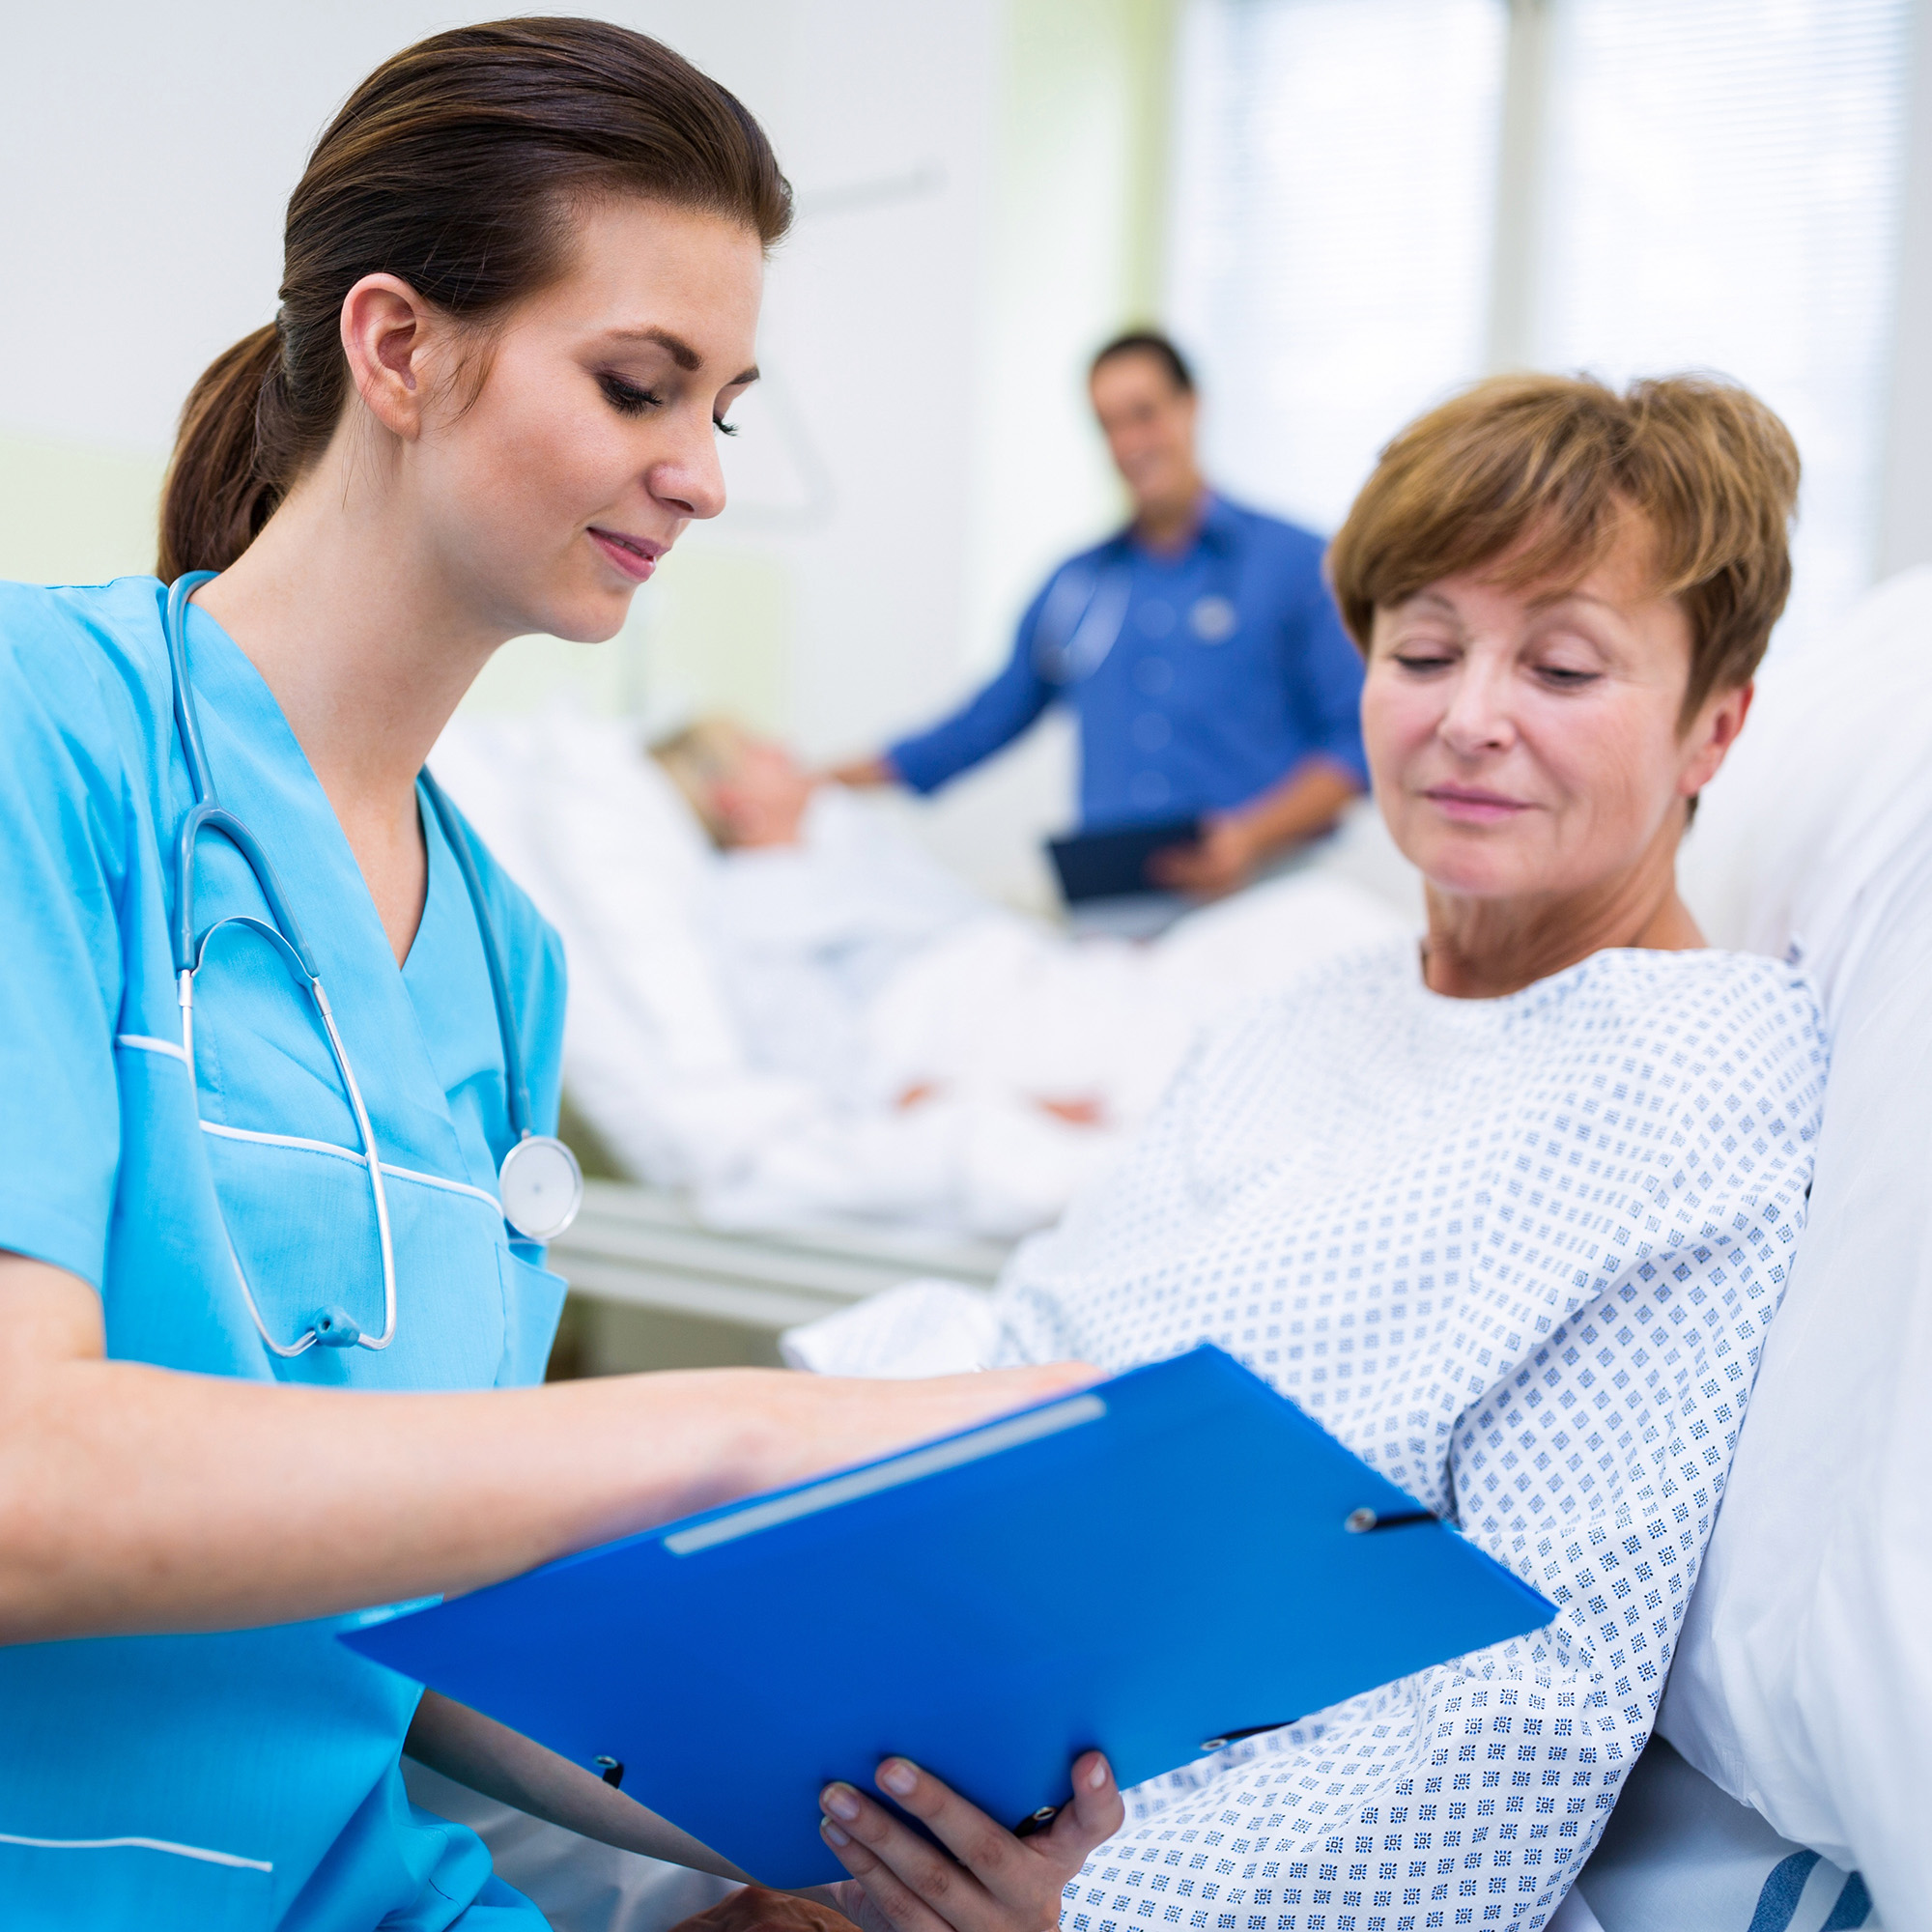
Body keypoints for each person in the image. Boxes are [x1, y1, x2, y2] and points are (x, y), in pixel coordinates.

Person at [0, 22, 1080, 1929]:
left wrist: (824, 1844)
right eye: (640, 384)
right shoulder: (45, 737)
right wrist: (742, 1428)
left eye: (725, 408)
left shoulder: (502, 962)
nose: (702, 476)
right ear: (398, 345)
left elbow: (403, 1629)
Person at [788, 374, 1829, 1932]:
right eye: (1421, 650)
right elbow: (1039, 1338)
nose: (1469, 716)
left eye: (1560, 663)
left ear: (1714, 729)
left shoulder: (1693, 1082)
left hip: (1100, 1869)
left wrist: (1089, 1909)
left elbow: (1528, 1709)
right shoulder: (1293, 1010)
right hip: (898, 1746)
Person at [835, 332, 1370, 896]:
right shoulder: (1078, 587)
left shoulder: (1294, 565)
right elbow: (981, 724)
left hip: (1264, 893)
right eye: (1108, 424)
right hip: (1116, 912)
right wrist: (821, 783)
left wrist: (1248, 837)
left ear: (1192, 406)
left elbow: (1356, 743)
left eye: (1144, 414)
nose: (1128, 442)